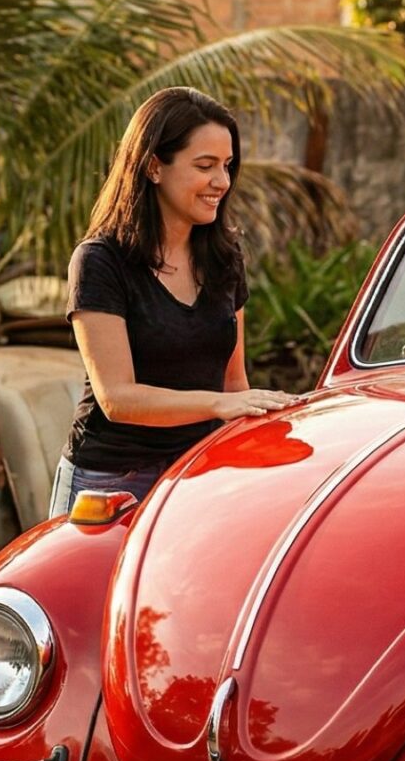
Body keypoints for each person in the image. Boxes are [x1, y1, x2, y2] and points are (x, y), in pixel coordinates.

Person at [49, 88, 297, 519]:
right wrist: (217, 404)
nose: (222, 181)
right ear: (153, 167)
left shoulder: (224, 257)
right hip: (111, 484)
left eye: (227, 165)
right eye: (205, 166)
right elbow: (117, 398)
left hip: (198, 472)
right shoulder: (100, 261)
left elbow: (233, 384)